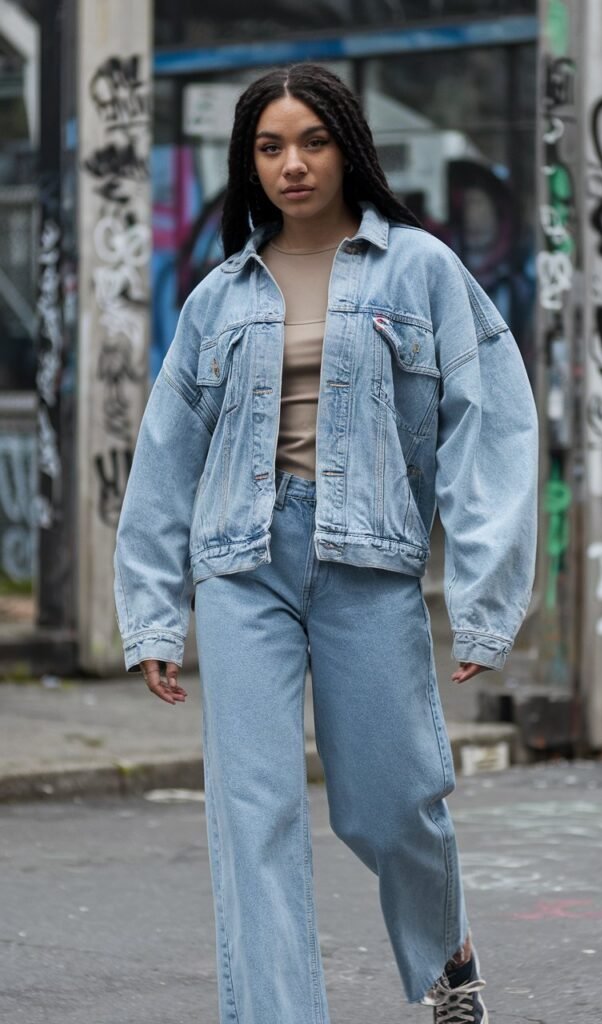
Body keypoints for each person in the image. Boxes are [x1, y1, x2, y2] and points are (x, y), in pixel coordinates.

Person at [113, 63, 538, 1024]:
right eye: (270, 147)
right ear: (248, 163)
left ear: (347, 147)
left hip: (368, 562)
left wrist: (484, 597)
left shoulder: (420, 269)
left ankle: (446, 952)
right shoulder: (220, 294)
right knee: (252, 822)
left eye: (311, 142)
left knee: (391, 804)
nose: (292, 164)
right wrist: (150, 612)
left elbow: (494, 424)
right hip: (241, 568)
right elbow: (165, 458)